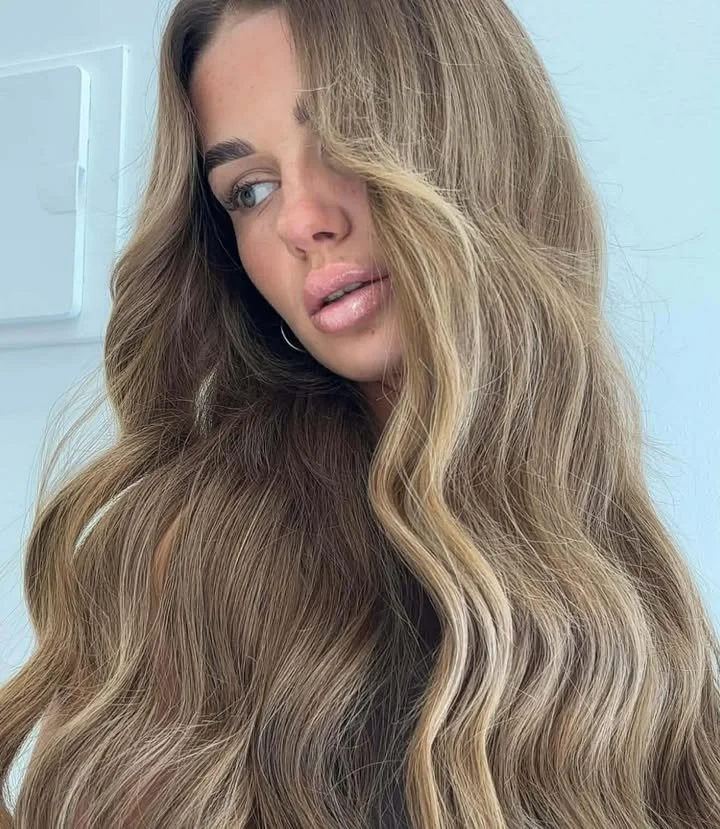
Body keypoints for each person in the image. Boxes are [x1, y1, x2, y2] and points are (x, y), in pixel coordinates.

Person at [1, 0, 718, 826]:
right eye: (250, 189)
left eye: (346, 139)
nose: (302, 221)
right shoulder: (201, 549)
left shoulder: (617, 563)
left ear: (474, 141)